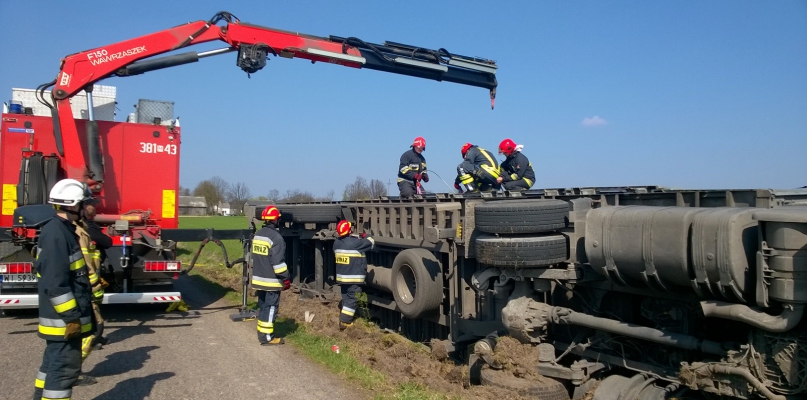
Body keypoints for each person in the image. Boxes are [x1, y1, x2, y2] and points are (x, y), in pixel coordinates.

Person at [32, 179, 95, 400]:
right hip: (63, 322)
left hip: (61, 321)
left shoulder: (61, 230)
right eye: (84, 203)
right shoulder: (57, 235)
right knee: (63, 371)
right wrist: (71, 318)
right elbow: (55, 283)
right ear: (72, 205)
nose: (88, 207)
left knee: (51, 366)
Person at [76, 203, 111, 363]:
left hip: (86, 278)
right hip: (88, 279)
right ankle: (91, 342)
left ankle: (95, 339)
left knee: (95, 311)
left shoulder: (70, 228)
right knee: (95, 317)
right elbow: (106, 242)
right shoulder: (85, 229)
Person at [251, 205, 290, 346]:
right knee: (271, 307)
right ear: (275, 220)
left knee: (263, 307)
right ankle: (268, 338)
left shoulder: (258, 234)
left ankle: (262, 333)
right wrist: (286, 278)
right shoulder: (276, 238)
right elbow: (278, 263)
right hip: (271, 281)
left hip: (258, 279)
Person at [332, 220, 374, 330]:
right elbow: (371, 243)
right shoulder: (355, 243)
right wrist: (367, 235)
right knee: (353, 299)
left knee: (346, 297)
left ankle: (345, 317)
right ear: (349, 230)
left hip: (342, 277)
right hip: (353, 277)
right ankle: (345, 321)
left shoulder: (336, 243)